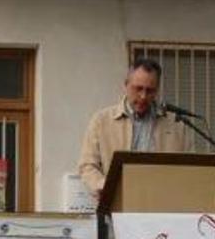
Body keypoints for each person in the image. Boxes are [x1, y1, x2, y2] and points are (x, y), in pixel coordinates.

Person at [78, 58, 188, 197]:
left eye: (150, 91)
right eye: (138, 89)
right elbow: (87, 165)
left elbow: (188, 169)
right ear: (126, 85)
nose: (143, 96)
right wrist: (105, 186)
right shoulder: (101, 121)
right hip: (116, 205)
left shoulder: (176, 124)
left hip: (162, 204)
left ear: (157, 90)